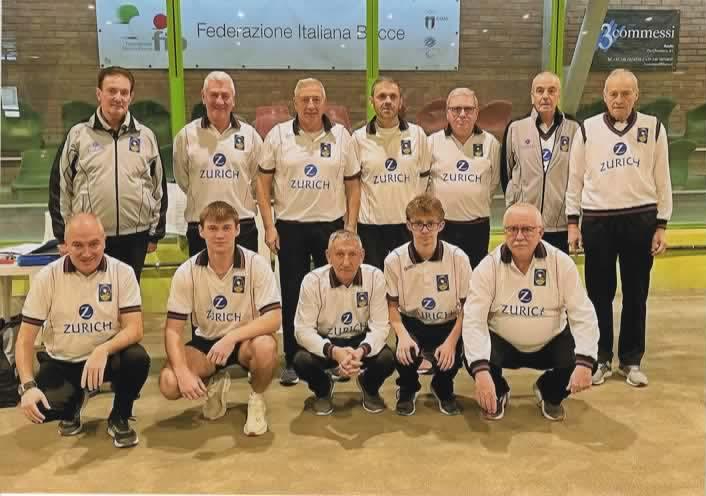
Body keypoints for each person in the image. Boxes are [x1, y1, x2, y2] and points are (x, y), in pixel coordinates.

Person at [566, 68, 672, 387]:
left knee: (636, 293)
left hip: (640, 219)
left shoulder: (653, 128)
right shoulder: (587, 129)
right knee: (599, 294)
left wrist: (661, 225)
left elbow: (663, 180)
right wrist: (573, 223)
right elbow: (575, 179)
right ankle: (600, 358)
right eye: (613, 93)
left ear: (636, 95)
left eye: (626, 93)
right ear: (604, 96)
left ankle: (631, 360)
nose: (619, 99)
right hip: (598, 220)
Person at [256, 78, 361, 386]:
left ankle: (335, 358)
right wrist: (269, 226)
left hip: (331, 226)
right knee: (293, 294)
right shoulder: (278, 135)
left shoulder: (341, 136)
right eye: (305, 100)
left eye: (316, 99)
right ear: (295, 102)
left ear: (324, 102)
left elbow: (353, 185)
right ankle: (293, 359)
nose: (311, 105)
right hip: (291, 227)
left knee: (333, 295)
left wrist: (350, 228)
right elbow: (262, 183)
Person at [16, 213, 149, 448]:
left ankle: (119, 416)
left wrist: (103, 350)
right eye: (77, 245)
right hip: (63, 361)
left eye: (94, 244)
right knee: (40, 409)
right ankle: (75, 403)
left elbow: (135, 328)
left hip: (106, 360)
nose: (87, 253)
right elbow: (24, 340)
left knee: (137, 358)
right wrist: (27, 387)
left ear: (104, 241)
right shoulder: (47, 277)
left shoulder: (123, 272)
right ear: (65, 245)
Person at [463, 203, 598, 421]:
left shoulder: (561, 263)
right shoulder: (488, 267)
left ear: (541, 232)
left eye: (527, 229)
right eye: (512, 229)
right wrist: (480, 372)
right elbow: (473, 320)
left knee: (587, 358)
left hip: (550, 344)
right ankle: (498, 391)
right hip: (503, 346)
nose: (519, 236)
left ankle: (549, 391)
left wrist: (584, 362)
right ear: (504, 232)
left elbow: (583, 314)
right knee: (471, 354)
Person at [158, 201, 281, 436]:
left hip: (245, 341)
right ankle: (215, 381)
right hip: (207, 344)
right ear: (201, 231)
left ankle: (256, 399)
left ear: (237, 229)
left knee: (266, 347)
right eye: (213, 228)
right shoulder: (186, 271)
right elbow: (173, 330)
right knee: (169, 383)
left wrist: (231, 338)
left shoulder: (256, 264)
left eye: (226, 228)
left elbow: (274, 318)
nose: (220, 235)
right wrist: (183, 373)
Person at [49, 66, 168, 281]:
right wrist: (62, 235)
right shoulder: (78, 135)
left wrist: (155, 233)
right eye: (112, 91)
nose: (118, 97)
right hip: (89, 239)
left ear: (131, 96)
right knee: (90, 296)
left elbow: (159, 187)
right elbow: (60, 187)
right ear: (99, 94)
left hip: (136, 237)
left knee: (128, 295)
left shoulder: (146, 136)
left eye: (124, 92)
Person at [384, 194, 471, 416]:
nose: (424, 230)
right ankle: (407, 387)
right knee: (405, 353)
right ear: (408, 225)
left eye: (430, 223)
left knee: (450, 358)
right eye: (418, 224)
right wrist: (402, 336)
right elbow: (392, 307)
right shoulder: (394, 260)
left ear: (441, 225)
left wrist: (451, 342)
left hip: (448, 323)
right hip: (412, 322)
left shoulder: (458, 258)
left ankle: (442, 386)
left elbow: (467, 308)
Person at [293, 229, 394, 415]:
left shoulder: (375, 277)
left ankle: (369, 386)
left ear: (362, 255)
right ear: (328, 256)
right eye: (339, 254)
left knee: (387, 359)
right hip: (327, 341)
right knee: (301, 361)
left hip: (360, 340)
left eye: (352, 254)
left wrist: (361, 351)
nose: (346, 262)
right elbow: (302, 331)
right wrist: (334, 352)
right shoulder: (312, 281)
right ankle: (323, 389)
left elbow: (380, 327)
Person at [174, 71, 262, 255]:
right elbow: (183, 179)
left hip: (242, 226)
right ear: (203, 97)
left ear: (233, 100)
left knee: (243, 275)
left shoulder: (250, 135)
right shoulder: (186, 136)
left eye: (225, 95)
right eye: (214, 95)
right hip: (201, 227)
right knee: (201, 275)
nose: (220, 101)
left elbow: (257, 180)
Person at [353, 77, 432, 270]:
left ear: (400, 101)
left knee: (410, 281)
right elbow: (353, 186)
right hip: (371, 227)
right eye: (382, 96)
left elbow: (424, 180)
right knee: (375, 282)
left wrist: (417, 215)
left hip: (408, 225)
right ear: (372, 101)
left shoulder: (417, 135)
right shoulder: (358, 138)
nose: (387, 101)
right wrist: (351, 226)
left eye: (393, 96)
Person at [501, 71, 581, 253]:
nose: (545, 96)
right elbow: (506, 174)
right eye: (540, 91)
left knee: (556, 271)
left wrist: (574, 222)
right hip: (524, 226)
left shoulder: (574, 128)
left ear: (558, 95)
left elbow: (578, 177)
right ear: (532, 96)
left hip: (560, 226)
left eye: (551, 91)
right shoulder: (516, 128)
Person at [429, 87, 500, 267]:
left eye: (468, 109)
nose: (462, 114)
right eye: (456, 109)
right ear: (447, 113)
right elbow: (426, 183)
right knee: (442, 275)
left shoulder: (490, 142)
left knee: (475, 277)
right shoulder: (432, 142)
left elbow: (493, 182)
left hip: (477, 227)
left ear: (476, 113)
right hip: (442, 226)